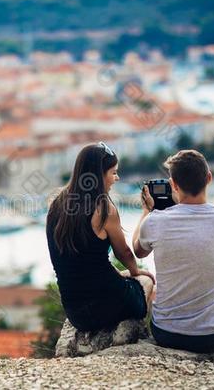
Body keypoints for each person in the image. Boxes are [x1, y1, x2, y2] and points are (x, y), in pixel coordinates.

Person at [132, 149, 214, 363]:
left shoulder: (156, 221)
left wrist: (147, 211)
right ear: (209, 178)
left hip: (166, 333)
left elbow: (138, 250)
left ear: (173, 184)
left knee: (154, 291)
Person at [46, 142, 155, 332]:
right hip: (105, 307)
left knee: (125, 276)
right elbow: (125, 254)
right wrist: (136, 272)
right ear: (98, 174)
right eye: (113, 172)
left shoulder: (57, 204)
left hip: (76, 314)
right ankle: (133, 332)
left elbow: (84, 259)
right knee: (147, 281)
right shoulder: (104, 209)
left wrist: (120, 274)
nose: (117, 178)